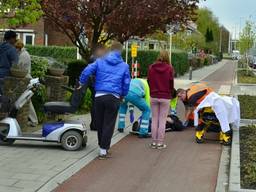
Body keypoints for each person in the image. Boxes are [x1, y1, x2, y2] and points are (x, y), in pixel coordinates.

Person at [79, 41, 131, 159]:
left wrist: (81, 81)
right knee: (109, 123)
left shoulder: (100, 60)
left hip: (99, 96)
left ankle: (101, 145)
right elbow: (126, 83)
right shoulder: (124, 66)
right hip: (113, 97)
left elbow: (87, 70)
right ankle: (103, 150)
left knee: (100, 123)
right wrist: (123, 94)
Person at [148, 50, 174, 149]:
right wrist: (170, 93)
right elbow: (171, 83)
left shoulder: (151, 67)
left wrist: (152, 90)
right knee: (162, 120)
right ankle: (160, 143)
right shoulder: (169, 68)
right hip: (165, 96)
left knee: (154, 119)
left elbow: (149, 80)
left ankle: (154, 142)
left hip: (154, 95)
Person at [15, 40, 38, 127]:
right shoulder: (23, 53)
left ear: (19, 47)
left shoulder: (24, 55)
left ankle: (34, 121)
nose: (15, 50)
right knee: (27, 100)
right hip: (26, 79)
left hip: (26, 79)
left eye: (15, 48)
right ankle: (34, 120)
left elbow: (18, 66)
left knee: (27, 100)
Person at [87, 44, 107, 131]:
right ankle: (96, 124)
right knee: (97, 105)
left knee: (94, 104)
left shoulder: (92, 57)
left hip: (93, 84)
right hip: (97, 84)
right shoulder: (99, 59)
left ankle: (94, 124)